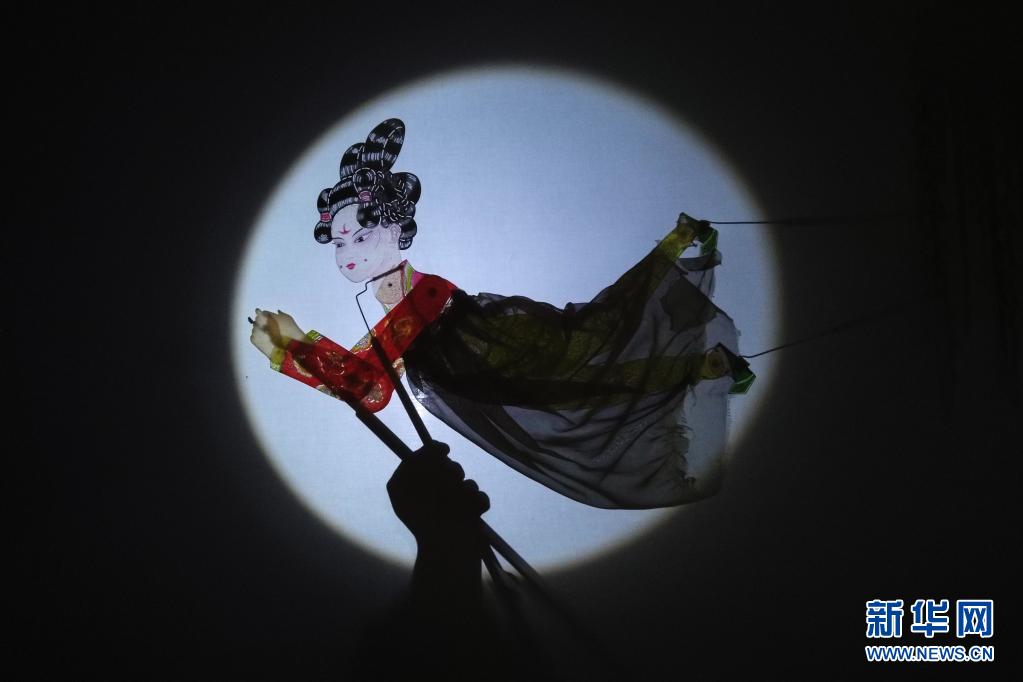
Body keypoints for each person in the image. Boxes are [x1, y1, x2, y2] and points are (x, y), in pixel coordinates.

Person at [251, 118, 754, 510]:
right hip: (477, 374)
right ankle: (701, 364)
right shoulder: (403, 307)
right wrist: (296, 350)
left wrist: (295, 350)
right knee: (580, 385)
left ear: (396, 230)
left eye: (361, 237)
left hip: (491, 350)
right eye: (340, 243)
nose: (349, 254)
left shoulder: (419, 300)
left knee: (587, 355)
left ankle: (684, 284)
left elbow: (369, 386)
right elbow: (370, 381)